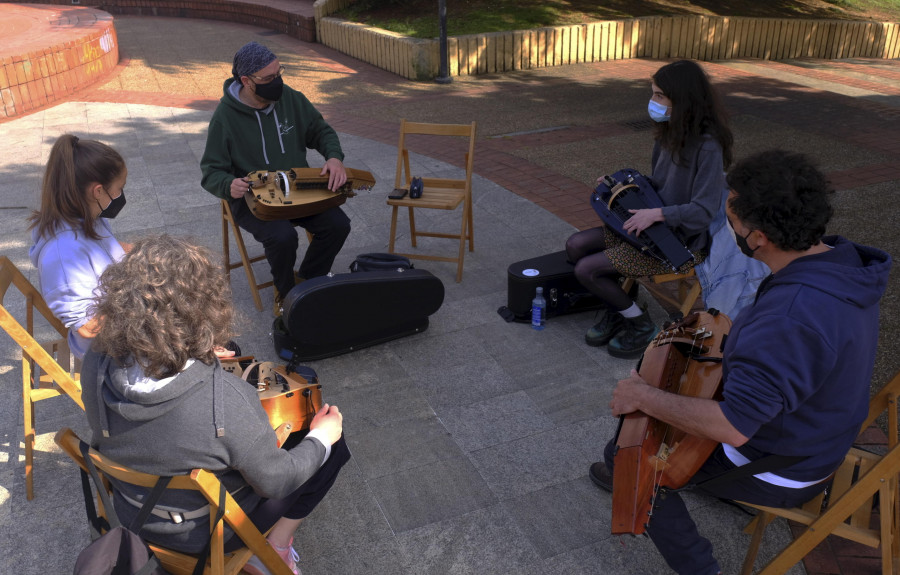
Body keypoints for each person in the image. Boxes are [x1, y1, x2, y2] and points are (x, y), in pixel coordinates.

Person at [589, 150, 892, 575]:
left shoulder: (789, 317)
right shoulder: (840, 265)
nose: (724, 224)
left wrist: (645, 395)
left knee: (628, 456)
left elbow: (734, 425)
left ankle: (702, 569)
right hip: (821, 431)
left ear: (758, 236)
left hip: (788, 465)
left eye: (730, 217)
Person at [81, 235, 350, 575]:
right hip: (210, 534)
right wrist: (322, 438)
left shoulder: (96, 362)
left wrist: (199, 357)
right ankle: (274, 546)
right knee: (332, 442)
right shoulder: (226, 400)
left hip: (133, 511)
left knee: (234, 358)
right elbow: (277, 482)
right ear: (202, 311)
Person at [565, 60, 733, 359]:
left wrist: (656, 214)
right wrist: (617, 186)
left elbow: (703, 211)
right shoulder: (669, 133)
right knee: (575, 245)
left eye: (659, 96)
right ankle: (621, 309)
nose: (653, 102)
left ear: (682, 100)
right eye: (653, 94)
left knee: (587, 269)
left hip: (681, 243)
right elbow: (660, 185)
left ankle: (641, 326)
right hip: (653, 229)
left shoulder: (708, 147)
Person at [201, 41, 351, 317]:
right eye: (269, 78)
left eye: (279, 73)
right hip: (253, 198)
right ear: (247, 81)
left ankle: (306, 282)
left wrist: (334, 157)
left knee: (338, 224)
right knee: (283, 238)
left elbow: (321, 131)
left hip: (297, 189)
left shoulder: (291, 99)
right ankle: (284, 294)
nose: (277, 82)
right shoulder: (224, 118)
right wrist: (227, 184)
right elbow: (211, 171)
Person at [29, 134, 130, 360]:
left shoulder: (85, 217)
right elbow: (88, 326)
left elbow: (108, 248)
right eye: (118, 188)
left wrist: (152, 254)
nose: (120, 195)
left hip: (121, 326)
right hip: (106, 352)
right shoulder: (63, 255)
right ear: (98, 191)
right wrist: (143, 311)